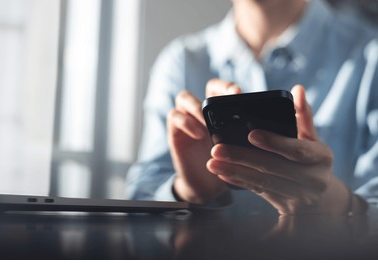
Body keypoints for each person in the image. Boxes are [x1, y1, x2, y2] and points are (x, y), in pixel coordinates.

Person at [126, 0, 378, 215]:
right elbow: (138, 207)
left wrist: (340, 207)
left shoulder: (371, 58)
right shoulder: (181, 62)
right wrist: (189, 191)